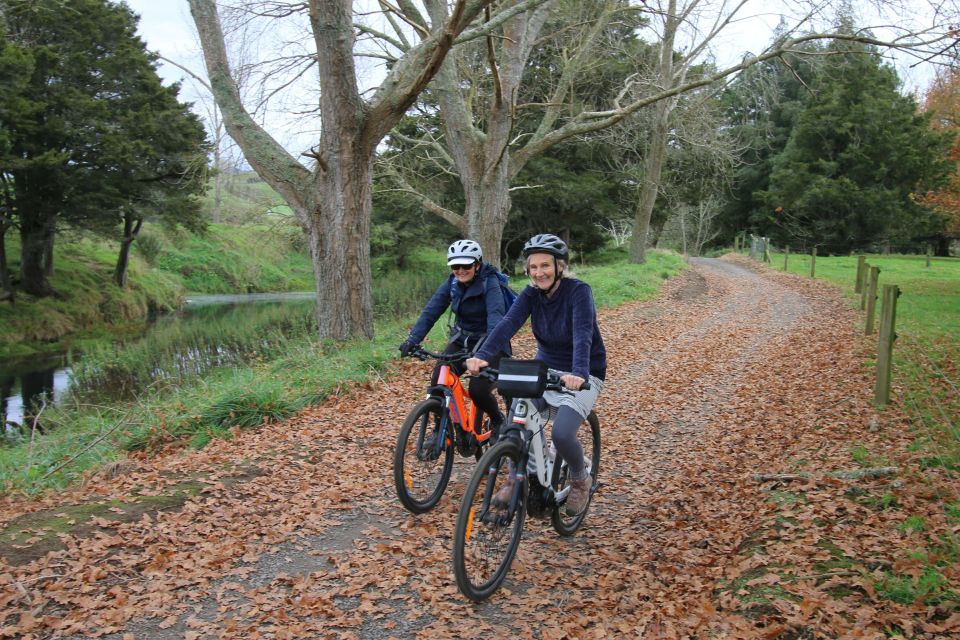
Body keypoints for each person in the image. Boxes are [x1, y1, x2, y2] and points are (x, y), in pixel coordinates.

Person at [466, 233, 606, 516]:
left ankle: (580, 479)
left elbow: (582, 334)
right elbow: (507, 323)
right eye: (533, 267)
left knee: (563, 433)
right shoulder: (530, 294)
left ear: (560, 266)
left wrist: (579, 373)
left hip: (584, 370)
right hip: (546, 367)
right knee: (517, 417)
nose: (539, 272)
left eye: (545, 266)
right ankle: (516, 476)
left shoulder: (579, 291)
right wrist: (482, 355)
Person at [399, 239, 510, 435]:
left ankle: (497, 419)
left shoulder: (490, 284)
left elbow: (496, 321)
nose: (460, 270)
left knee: (478, 390)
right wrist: (413, 340)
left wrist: (484, 354)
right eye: (455, 266)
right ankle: (439, 429)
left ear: (477, 264)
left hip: (491, 342)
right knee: (439, 379)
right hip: (462, 340)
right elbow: (431, 311)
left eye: (465, 265)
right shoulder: (452, 283)